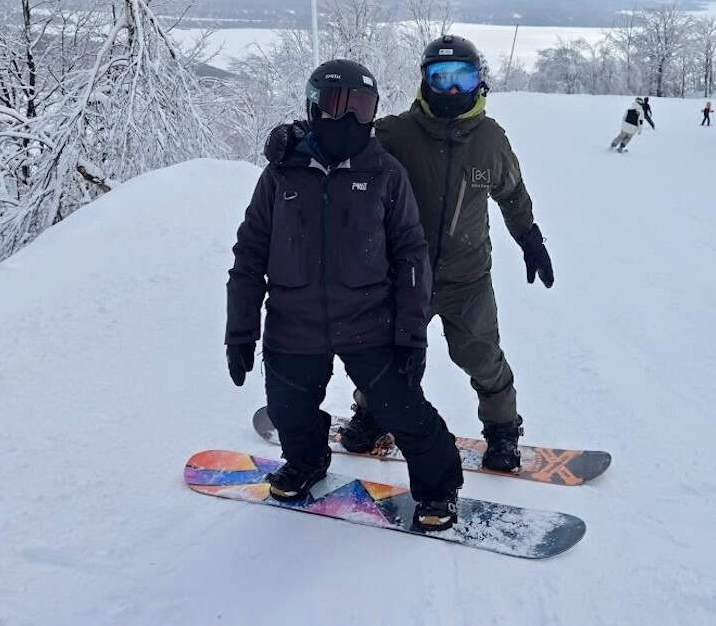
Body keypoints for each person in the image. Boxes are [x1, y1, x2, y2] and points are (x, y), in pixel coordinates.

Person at [266, 36, 555, 474]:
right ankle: (372, 413)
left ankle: (501, 429)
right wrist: (298, 139)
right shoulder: (397, 133)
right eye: (441, 78)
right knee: (387, 357)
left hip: (467, 279)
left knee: (481, 356)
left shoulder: (492, 140)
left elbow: (512, 194)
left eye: (463, 78)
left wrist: (529, 237)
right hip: (402, 278)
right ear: (425, 81)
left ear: (480, 84)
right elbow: (344, 140)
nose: (452, 90)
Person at [226, 59, 464, 531]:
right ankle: (307, 459)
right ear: (314, 107)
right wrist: (240, 332)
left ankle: (439, 488)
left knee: (405, 410)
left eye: (361, 107)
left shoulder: (385, 174)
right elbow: (249, 254)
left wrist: (411, 334)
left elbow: (412, 256)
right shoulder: (281, 175)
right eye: (338, 106)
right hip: (294, 323)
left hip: (369, 322)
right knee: (287, 411)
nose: (349, 119)